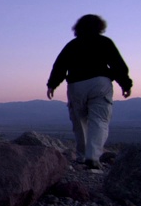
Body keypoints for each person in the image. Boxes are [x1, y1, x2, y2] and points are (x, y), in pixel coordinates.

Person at [46, 14, 133, 169]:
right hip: (100, 83)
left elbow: (59, 66)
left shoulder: (72, 45)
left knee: (79, 121)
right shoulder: (105, 42)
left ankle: (82, 156)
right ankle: (93, 157)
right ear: (100, 27)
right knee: (99, 120)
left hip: (76, 85)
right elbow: (117, 64)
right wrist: (125, 84)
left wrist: (52, 84)